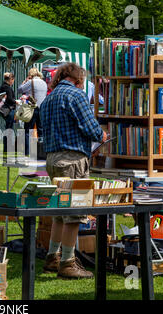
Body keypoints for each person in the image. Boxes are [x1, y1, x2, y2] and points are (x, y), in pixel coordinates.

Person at [40, 62, 107, 279]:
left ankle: (52, 257)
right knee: (74, 214)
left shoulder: (49, 98)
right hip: (72, 160)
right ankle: (68, 262)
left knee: (60, 212)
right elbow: (90, 128)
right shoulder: (76, 96)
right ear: (78, 79)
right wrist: (102, 135)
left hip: (52, 158)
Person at [18, 68, 47, 156]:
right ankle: (41, 151)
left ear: (30, 74)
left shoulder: (31, 82)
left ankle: (27, 151)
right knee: (41, 131)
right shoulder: (44, 82)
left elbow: (20, 89)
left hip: (32, 108)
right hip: (42, 108)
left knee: (28, 130)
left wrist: (23, 82)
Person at [0, 72, 16, 152]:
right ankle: (7, 147)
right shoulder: (7, 87)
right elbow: (9, 99)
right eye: (13, 80)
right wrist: (16, 101)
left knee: (8, 128)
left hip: (6, 109)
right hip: (9, 109)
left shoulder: (3, 86)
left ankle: (7, 147)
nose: (13, 82)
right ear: (10, 79)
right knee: (9, 129)